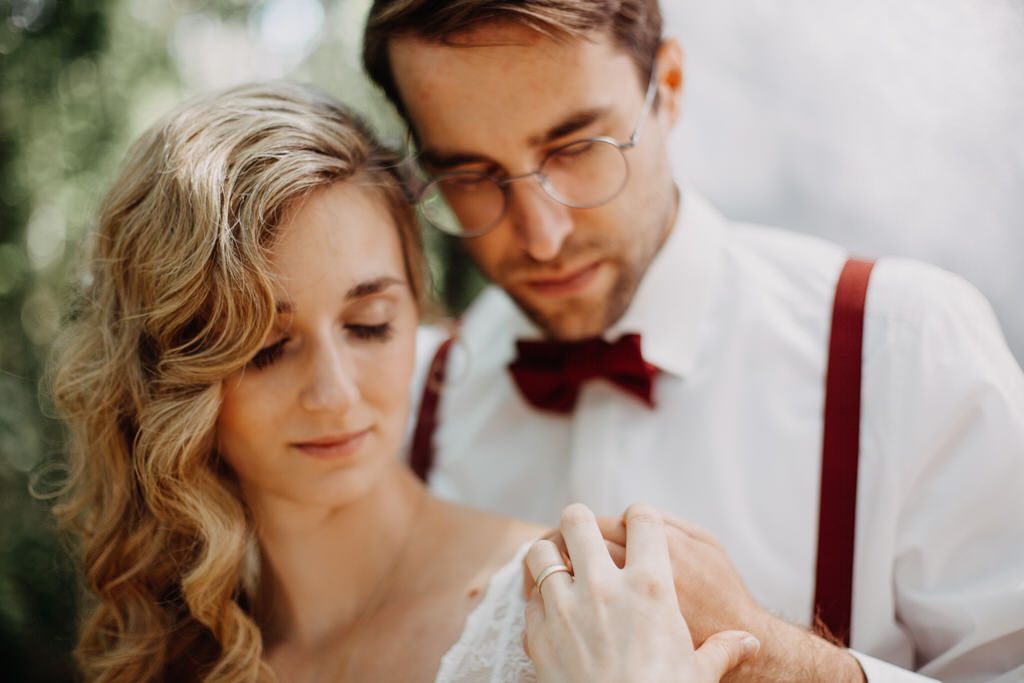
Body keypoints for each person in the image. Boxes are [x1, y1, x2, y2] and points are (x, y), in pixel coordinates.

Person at [361, 1, 1024, 681]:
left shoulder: (906, 347)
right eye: (470, 175)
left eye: (577, 148)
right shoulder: (419, 395)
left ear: (668, 88)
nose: (542, 234)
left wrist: (776, 658)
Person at [49, 81, 759, 682]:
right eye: (265, 347)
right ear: (164, 372)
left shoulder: (570, 614)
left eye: (369, 325)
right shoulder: (170, 647)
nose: (335, 393)